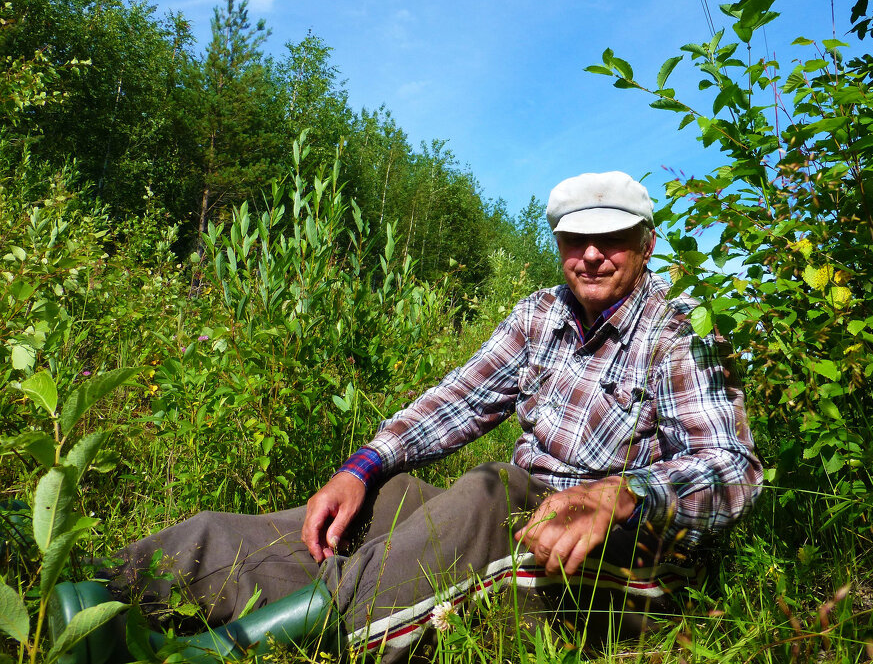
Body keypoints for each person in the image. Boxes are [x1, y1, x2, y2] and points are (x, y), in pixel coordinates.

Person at [53, 171, 762, 664]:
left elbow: (733, 469)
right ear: (558, 243)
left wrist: (623, 494)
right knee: (389, 500)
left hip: (610, 562)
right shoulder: (540, 316)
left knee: (487, 488)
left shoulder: (679, 330)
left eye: (612, 236)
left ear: (646, 242)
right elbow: (458, 399)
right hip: (518, 518)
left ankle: (234, 651)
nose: (592, 253)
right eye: (575, 238)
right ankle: (98, 594)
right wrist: (365, 464)